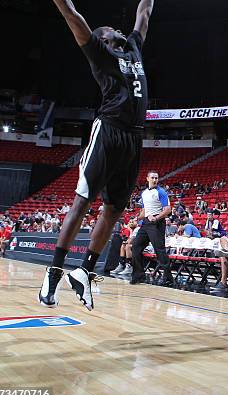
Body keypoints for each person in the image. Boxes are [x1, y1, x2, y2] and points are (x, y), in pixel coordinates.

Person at [39, 0, 154, 311]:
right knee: (83, 200)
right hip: (109, 130)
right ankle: (54, 271)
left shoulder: (133, 49)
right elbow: (73, 16)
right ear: (102, 38)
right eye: (109, 30)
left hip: (134, 137)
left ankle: (85, 271)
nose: (116, 29)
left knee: (114, 210)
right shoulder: (100, 53)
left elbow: (144, 12)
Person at [131, 171, 173, 286]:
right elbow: (144, 211)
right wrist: (136, 218)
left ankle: (169, 278)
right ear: (147, 178)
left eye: (156, 178)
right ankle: (139, 275)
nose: (155, 180)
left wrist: (156, 218)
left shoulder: (161, 192)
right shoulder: (144, 193)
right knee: (135, 247)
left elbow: (168, 209)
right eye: (153, 177)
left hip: (157, 223)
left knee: (159, 250)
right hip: (146, 223)